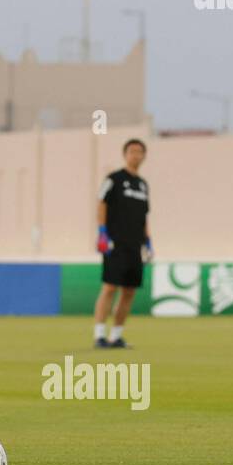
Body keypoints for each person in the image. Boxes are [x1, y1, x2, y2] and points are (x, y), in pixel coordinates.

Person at [92, 139, 151, 349]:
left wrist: (148, 241)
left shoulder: (143, 185)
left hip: (135, 245)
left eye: (140, 152)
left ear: (144, 156)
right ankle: (99, 335)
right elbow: (101, 202)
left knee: (129, 291)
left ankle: (116, 336)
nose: (136, 155)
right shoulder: (113, 179)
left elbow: (145, 216)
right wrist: (102, 232)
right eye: (132, 151)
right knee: (110, 287)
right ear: (125, 154)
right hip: (115, 242)